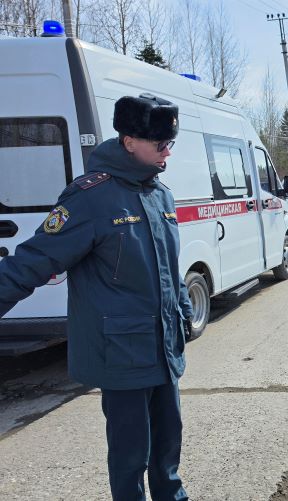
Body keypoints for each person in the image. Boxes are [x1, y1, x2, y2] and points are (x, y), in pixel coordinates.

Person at [0, 94, 192, 500]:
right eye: (160, 144)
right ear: (129, 142)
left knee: (168, 451)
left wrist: (183, 311)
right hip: (121, 353)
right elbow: (31, 262)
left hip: (163, 349)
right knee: (130, 456)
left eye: (171, 144)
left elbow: (167, 267)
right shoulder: (89, 198)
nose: (167, 153)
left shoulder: (161, 195)